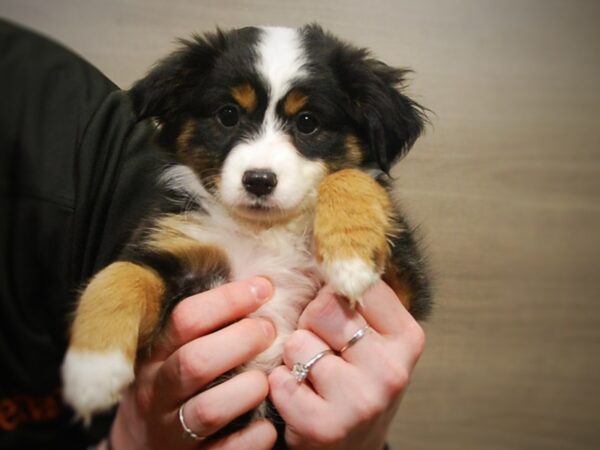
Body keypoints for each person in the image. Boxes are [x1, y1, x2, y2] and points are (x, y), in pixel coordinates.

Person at [0, 19, 425, 450]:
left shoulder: (351, 205)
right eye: (229, 115)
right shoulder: (183, 215)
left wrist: (352, 196)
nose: (262, 164)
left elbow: (403, 297)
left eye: (308, 122)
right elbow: (152, 281)